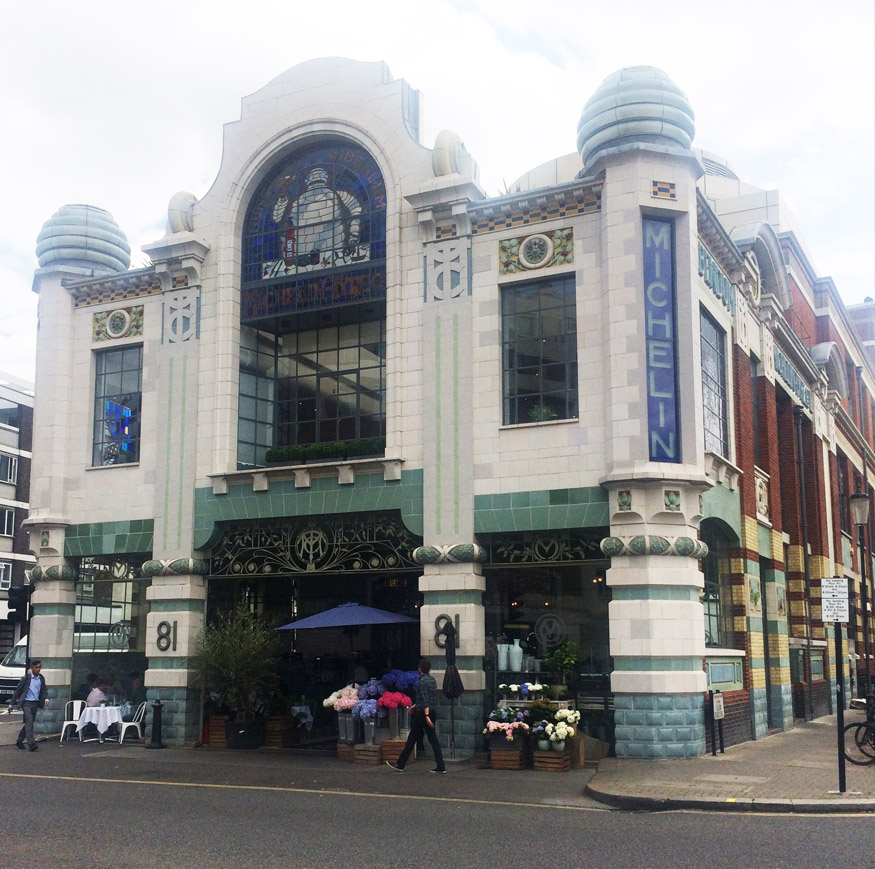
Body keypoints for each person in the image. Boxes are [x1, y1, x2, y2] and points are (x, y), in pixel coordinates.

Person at [387, 658, 446, 774]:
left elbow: (425, 699)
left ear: (420, 669)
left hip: (423, 713)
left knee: (412, 738)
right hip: (431, 711)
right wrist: (415, 705)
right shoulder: (432, 680)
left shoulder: (421, 681)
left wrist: (426, 715)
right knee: (433, 739)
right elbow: (429, 697)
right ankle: (441, 765)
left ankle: (400, 763)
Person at [10, 659, 49, 751]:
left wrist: (46, 698)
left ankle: (19, 741)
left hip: (35, 703)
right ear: (31, 668)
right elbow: (18, 691)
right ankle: (31, 744)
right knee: (29, 721)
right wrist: (11, 704)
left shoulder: (41, 678)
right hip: (26, 702)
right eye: (36, 667)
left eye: (40, 667)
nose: (38, 669)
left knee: (29, 723)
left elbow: (44, 690)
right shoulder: (26, 678)